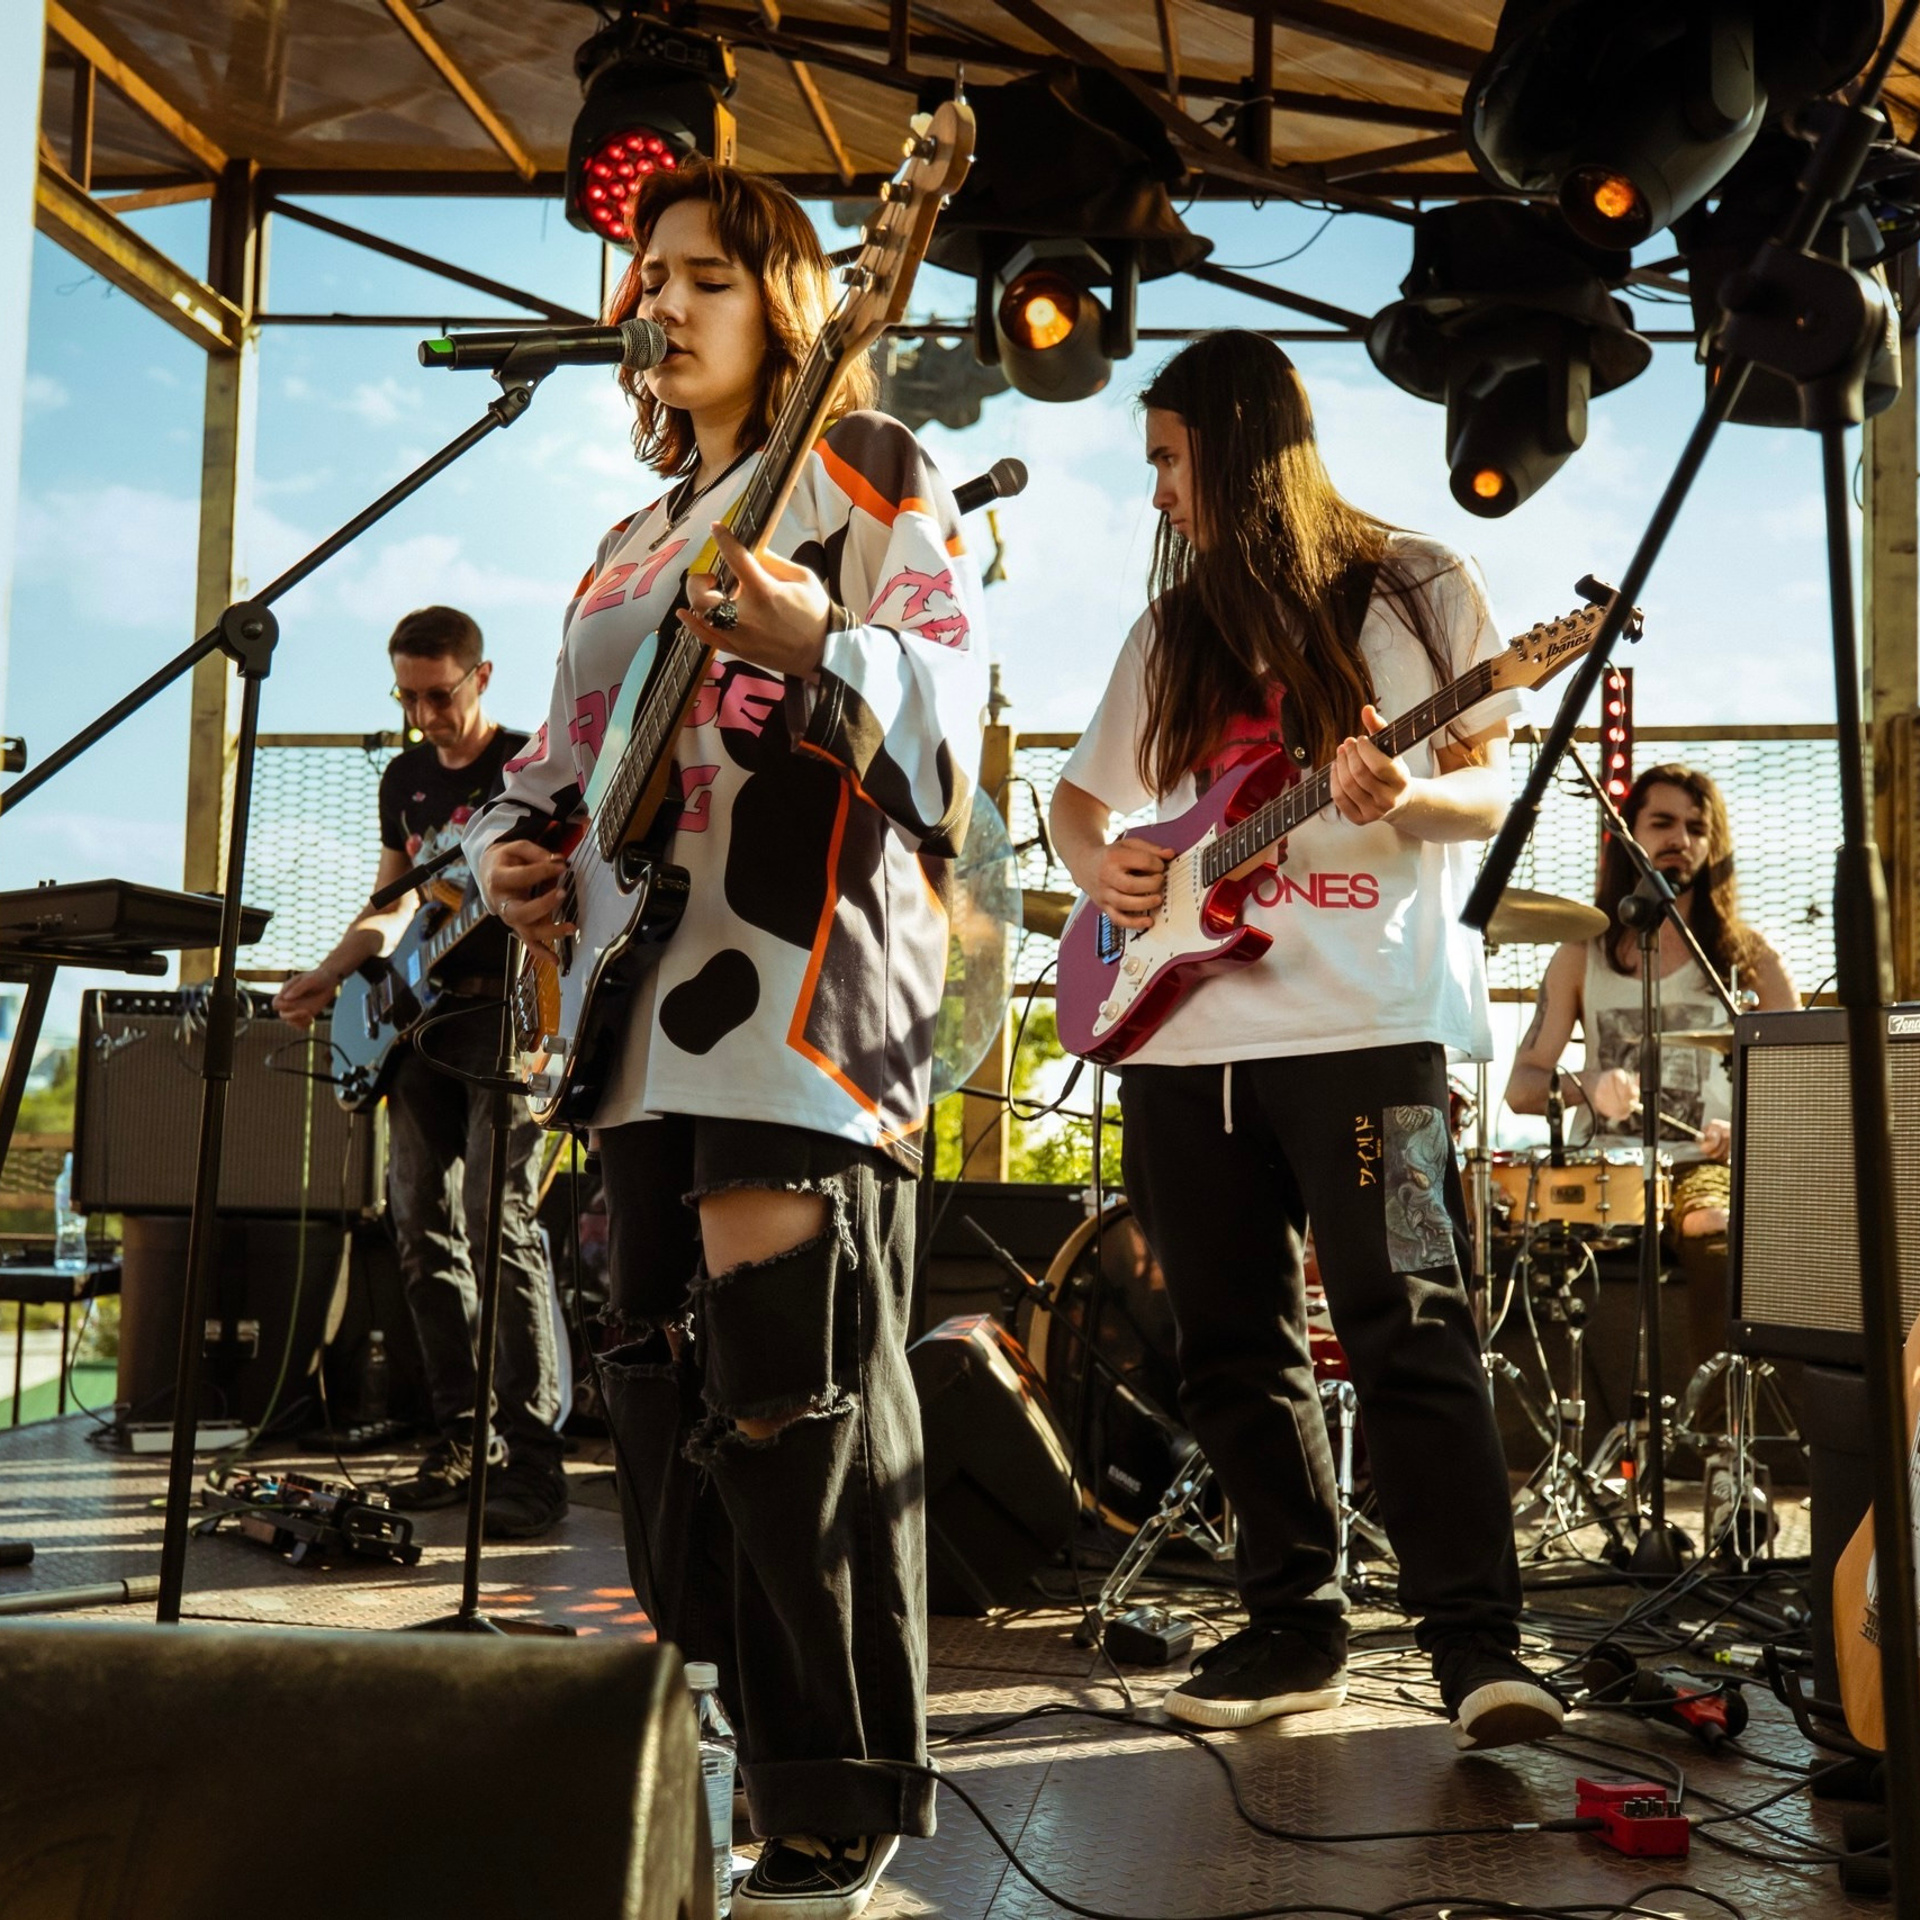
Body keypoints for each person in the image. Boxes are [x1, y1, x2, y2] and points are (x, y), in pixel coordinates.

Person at [463, 162, 985, 1919]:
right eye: (646, 276)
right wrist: (507, 854)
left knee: (794, 1384)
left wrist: (817, 629)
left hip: (801, 988)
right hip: (633, 1002)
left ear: (795, 296)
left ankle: (834, 1784)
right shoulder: (626, 544)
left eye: (704, 274)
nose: (662, 305)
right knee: (668, 1389)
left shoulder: (867, 473)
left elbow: (954, 724)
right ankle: (743, 1740)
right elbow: (554, 761)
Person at [1050, 329, 1563, 1750]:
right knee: (1228, 1343)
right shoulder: (1168, 630)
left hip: (1376, 1036)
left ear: (1231, 439)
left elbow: (1483, 801)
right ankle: (1294, 1622)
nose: (1157, 492)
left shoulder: (1419, 585)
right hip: (1177, 1043)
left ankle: (1479, 1649)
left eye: (1168, 459)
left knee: (1416, 1320)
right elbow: (1078, 805)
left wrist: (1394, 791)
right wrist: (1102, 871)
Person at [274, 606, 567, 1539]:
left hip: (509, 1008)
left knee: (498, 1217)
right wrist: (329, 970)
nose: (422, 714)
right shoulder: (403, 778)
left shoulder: (532, 765)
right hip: (421, 1026)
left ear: (482, 677)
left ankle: (532, 1461)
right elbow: (390, 902)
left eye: (438, 695)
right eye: (406, 696)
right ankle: (460, 1440)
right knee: (420, 1227)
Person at [1504, 762, 1797, 1368]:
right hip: (1600, 1174)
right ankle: (1569, 1436)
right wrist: (1588, 1086)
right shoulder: (1580, 952)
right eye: (1662, 822)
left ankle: (1717, 1437)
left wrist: (1745, 1135)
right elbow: (1521, 1087)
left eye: (1696, 827)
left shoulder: (1749, 958)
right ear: (1627, 833)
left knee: (1712, 1225)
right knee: (1508, 1245)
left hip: (1700, 1166)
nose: (1680, 839)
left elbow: (1803, 1086)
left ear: (1713, 845)